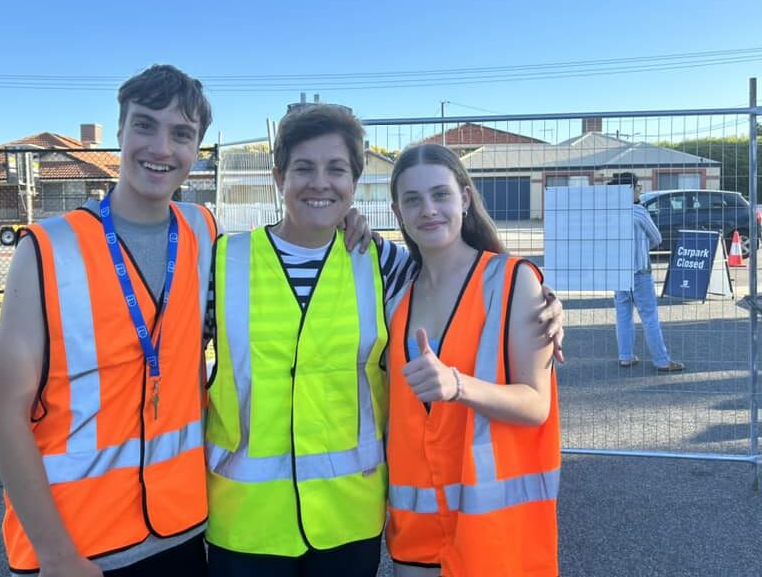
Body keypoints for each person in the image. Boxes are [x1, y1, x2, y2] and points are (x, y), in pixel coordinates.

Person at [204, 105, 565, 577]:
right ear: (278, 177)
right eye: (303, 169)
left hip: (348, 520)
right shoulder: (221, 264)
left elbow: (466, 283)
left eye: (336, 169)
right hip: (245, 522)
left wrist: (545, 302)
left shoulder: (382, 265)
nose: (320, 182)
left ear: (354, 182)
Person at [0, 64, 219, 576]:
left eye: (181, 134)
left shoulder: (204, 230)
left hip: (180, 531)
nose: (161, 148)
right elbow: (4, 415)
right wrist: (56, 554)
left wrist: (346, 220)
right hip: (77, 549)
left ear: (197, 149)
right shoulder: (48, 247)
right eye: (145, 125)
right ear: (119, 132)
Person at [383, 143, 560, 577]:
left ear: (464, 197)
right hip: (416, 537)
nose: (428, 210)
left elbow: (536, 404)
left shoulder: (513, 280)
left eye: (440, 194)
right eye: (413, 199)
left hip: (495, 539)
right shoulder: (394, 291)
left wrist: (457, 385)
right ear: (397, 211)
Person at [608, 172, 684, 372]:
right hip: (640, 270)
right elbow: (657, 238)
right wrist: (641, 246)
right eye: (637, 187)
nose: (639, 191)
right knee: (649, 316)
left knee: (623, 315)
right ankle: (661, 360)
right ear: (629, 190)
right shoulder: (639, 212)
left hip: (617, 270)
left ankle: (625, 356)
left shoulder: (608, 211)